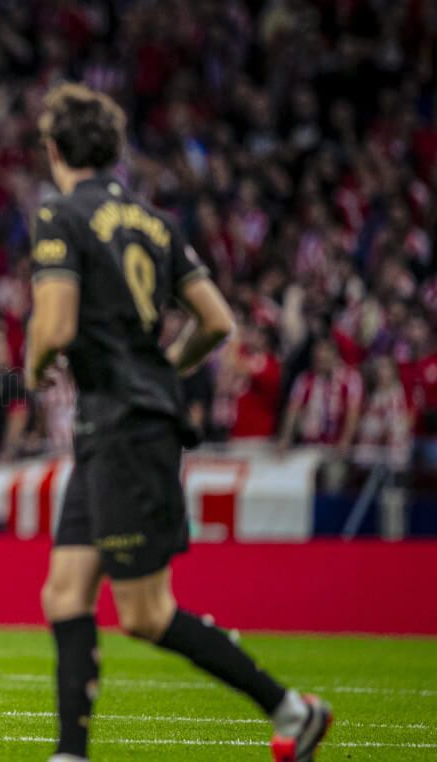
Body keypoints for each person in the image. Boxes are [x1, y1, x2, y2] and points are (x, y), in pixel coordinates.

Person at [24, 83, 331, 762]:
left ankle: (290, 709)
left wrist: (33, 360)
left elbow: (58, 322)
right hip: (120, 421)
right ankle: (69, 753)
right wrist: (163, 363)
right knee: (64, 590)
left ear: (53, 149)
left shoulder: (60, 215)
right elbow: (216, 321)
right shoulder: (154, 221)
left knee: (145, 613)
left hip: (127, 425)